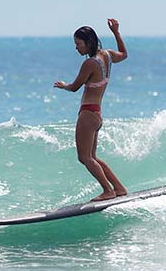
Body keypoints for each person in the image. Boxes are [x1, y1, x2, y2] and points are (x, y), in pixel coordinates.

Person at [54, 18, 128, 201]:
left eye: (78, 44)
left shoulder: (90, 64)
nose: (77, 48)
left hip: (87, 114)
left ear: (88, 42)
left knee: (84, 158)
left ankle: (108, 191)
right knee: (92, 156)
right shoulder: (108, 56)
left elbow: (75, 87)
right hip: (97, 113)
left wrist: (63, 85)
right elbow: (124, 54)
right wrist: (116, 32)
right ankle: (118, 188)